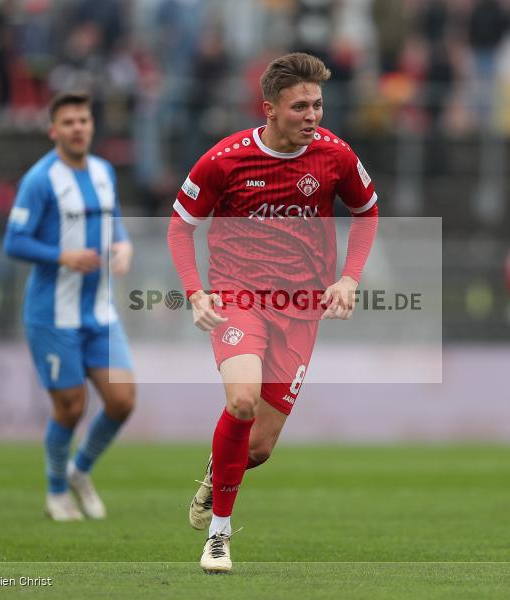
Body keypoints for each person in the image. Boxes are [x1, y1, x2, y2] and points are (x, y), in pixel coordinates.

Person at [167, 52, 379, 573]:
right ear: (269, 109)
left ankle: (218, 474)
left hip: (301, 310)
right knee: (241, 402)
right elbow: (180, 227)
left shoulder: (335, 156)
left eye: (318, 105)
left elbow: (367, 212)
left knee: (257, 448)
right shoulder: (224, 160)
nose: (313, 116)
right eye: (300, 106)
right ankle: (219, 536)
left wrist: (350, 277)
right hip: (239, 297)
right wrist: (196, 292)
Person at [3, 91, 136, 522]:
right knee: (71, 407)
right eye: (69, 121)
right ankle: (56, 492)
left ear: (92, 125)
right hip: (52, 314)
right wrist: (63, 256)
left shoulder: (102, 171)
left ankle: (80, 472)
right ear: (53, 130)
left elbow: (114, 221)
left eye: (84, 119)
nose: (78, 127)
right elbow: (14, 241)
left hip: (99, 312)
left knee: (122, 401)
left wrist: (123, 245)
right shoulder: (40, 180)